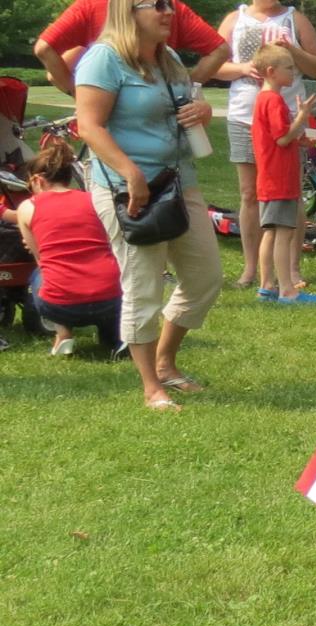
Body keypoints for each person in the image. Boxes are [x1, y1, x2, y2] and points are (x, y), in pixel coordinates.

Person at [73, 0, 223, 412]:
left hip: (177, 183)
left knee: (205, 277)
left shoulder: (168, 57)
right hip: (127, 189)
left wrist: (203, 111)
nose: (168, 11)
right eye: (156, 5)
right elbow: (89, 126)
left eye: (169, 4)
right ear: (128, 10)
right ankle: (151, 386)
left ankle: (166, 360)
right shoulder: (102, 59)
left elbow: (184, 104)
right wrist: (131, 174)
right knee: (143, 285)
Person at [212, 0, 316, 292]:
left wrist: (292, 51)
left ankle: (290, 269)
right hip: (243, 118)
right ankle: (253, 269)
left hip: (287, 115)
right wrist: (244, 67)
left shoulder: (294, 18)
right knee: (251, 194)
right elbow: (213, 66)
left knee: (290, 193)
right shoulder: (234, 19)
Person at [15, 136, 121, 355]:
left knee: (39, 273)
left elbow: (41, 259)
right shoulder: (93, 200)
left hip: (61, 305)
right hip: (111, 298)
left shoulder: (27, 207)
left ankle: (63, 332)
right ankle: (113, 336)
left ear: (37, 180)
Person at [251, 44, 316, 304]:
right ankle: (287, 291)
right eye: (289, 68)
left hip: (269, 179)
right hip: (280, 178)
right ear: (271, 71)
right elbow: (282, 138)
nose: (294, 72)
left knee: (270, 232)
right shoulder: (273, 100)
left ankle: (266, 286)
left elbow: (279, 137)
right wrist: (302, 115)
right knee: (284, 233)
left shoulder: (263, 99)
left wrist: (302, 139)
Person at [34, 0, 222, 95]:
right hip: (160, 106)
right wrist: (184, 89)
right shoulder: (171, 7)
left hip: (109, 105)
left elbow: (44, 49)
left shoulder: (90, 5)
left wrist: (78, 94)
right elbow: (219, 51)